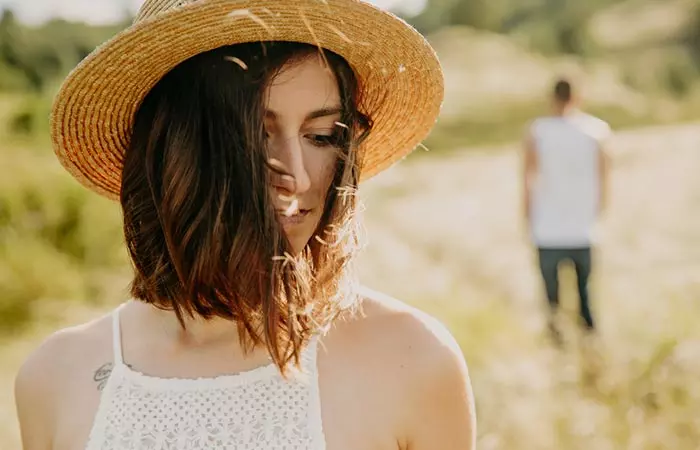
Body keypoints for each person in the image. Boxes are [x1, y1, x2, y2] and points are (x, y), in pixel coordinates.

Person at [14, 1, 476, 449]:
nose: (296, 175)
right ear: (174, 150)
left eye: (322, 136)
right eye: (256, 133)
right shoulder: (57, 379)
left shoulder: (410, 361)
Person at [522, 78, 611, 345]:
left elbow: (528, 178)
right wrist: (599, 215)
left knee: (552, 300)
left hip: (547, 228)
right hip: (584, 228)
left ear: (553, 98)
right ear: (578, 97)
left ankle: (558, 350)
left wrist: (527, 218)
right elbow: (605, 179)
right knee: (585, 296)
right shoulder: (597, 131)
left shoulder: (538, 131)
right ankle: (591, 347)